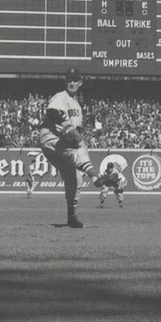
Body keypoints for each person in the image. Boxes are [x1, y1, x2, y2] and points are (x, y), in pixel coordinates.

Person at [36, 68, 97, 228]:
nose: (71, 83)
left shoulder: (77, 106)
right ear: (65, 82)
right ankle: (95, 176)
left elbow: (77, 131)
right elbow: (51, 112)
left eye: (75, 80)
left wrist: (77, 137)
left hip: (61, 141)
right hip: (50, 135)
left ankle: (72, 216)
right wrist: (66, 125)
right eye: (69, 80)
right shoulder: (60, 96)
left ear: (80, 83)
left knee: (75, 177)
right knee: (76, 150)